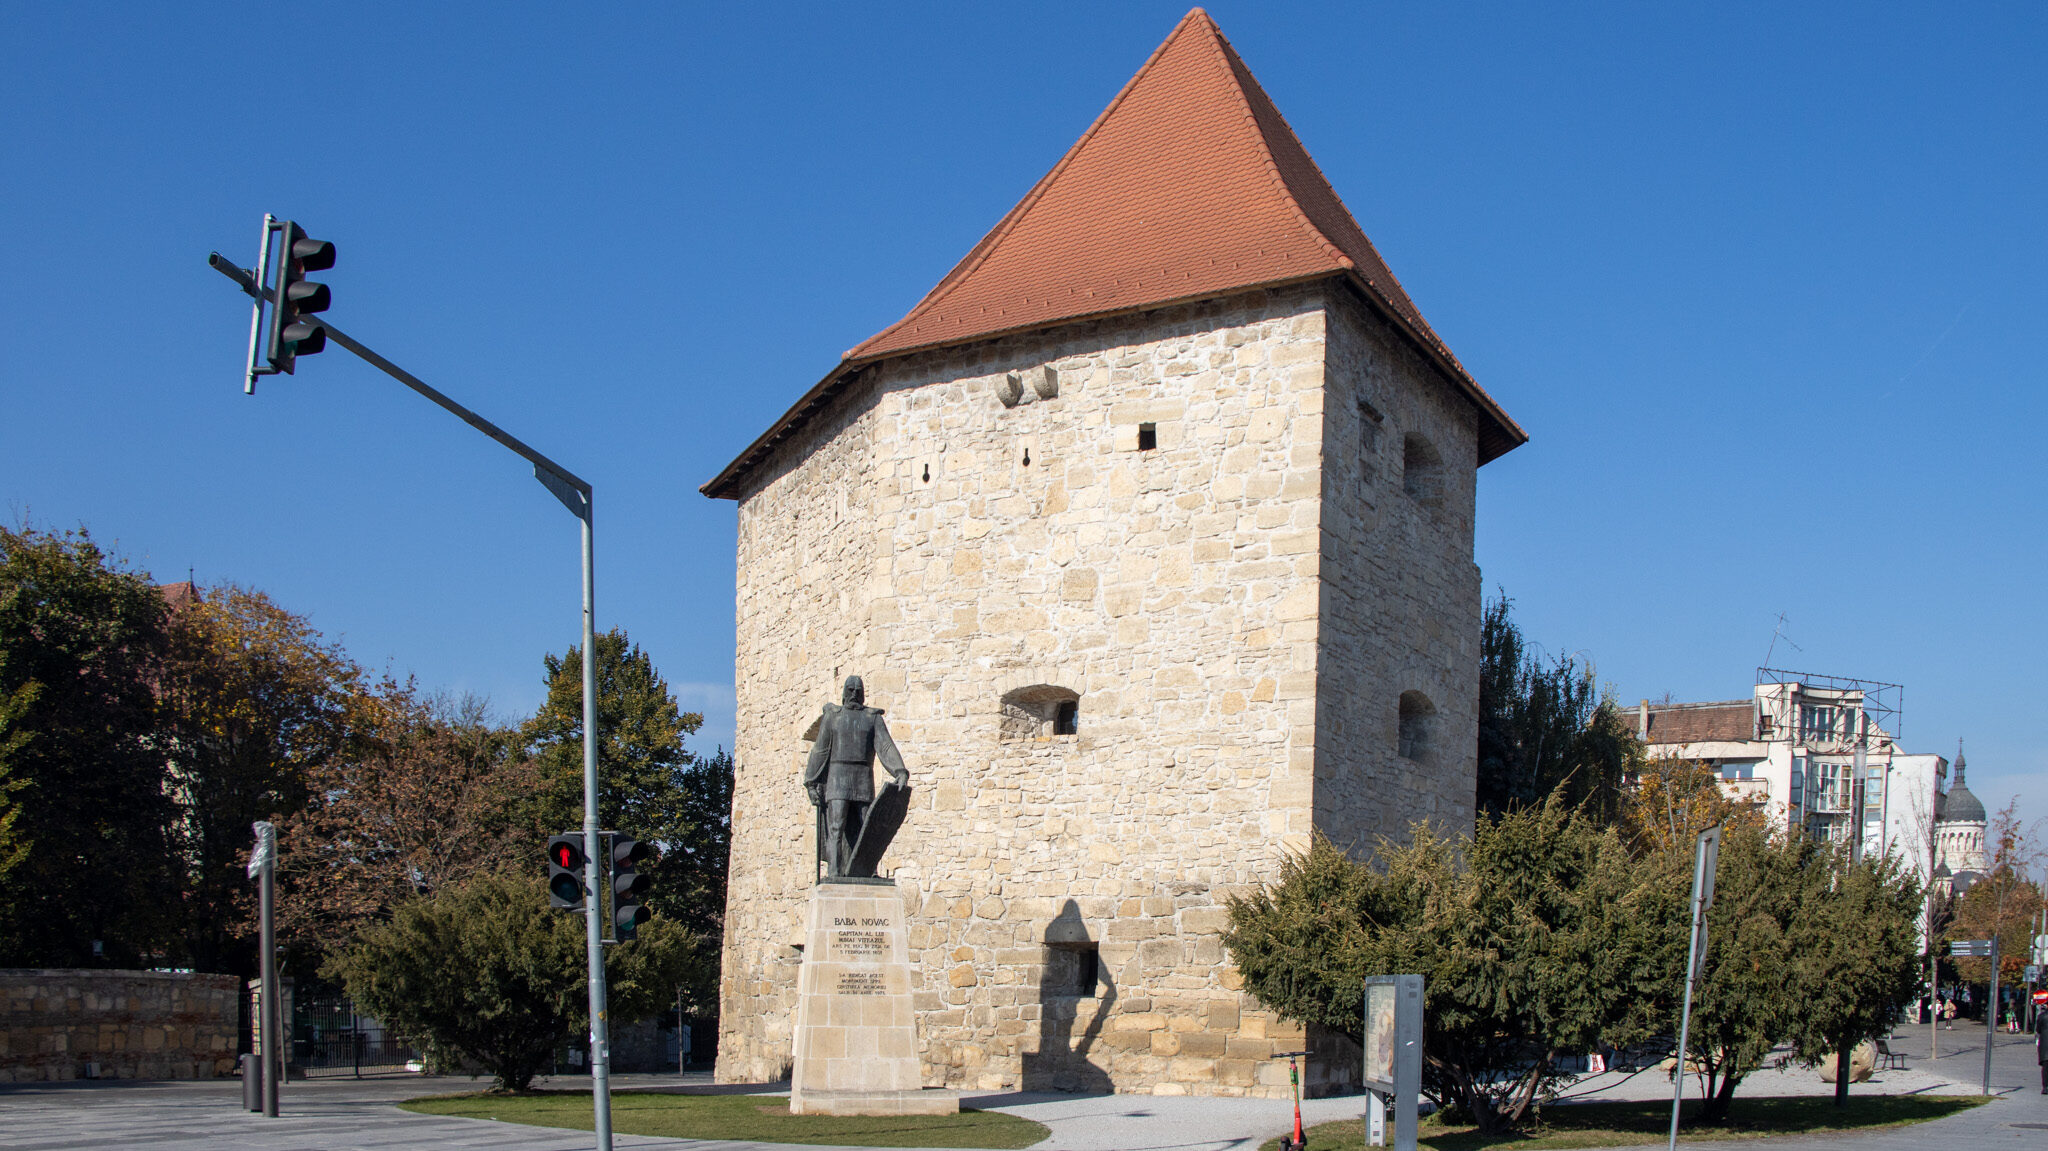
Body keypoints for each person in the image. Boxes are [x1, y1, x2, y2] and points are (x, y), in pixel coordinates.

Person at [804, 675, 910, 878]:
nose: (853, 693)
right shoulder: (833, 717)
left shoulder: (872, 718)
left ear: (862, 694)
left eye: (857, 690)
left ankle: (869, 870)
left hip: (862, 778)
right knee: (836, 827)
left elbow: (885, 746)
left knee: (867, 828)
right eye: (850, 689)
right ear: (844, 693)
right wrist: (811, 783)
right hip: (837, 778)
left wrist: (899, 770)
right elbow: (820, 750)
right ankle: (834, 873)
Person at [2035, 1000, 2048, 1094]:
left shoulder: (2042, 1016)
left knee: (2045, 1067)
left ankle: (2045, 1087)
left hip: (2045, 1043)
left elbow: (2038, 1029)